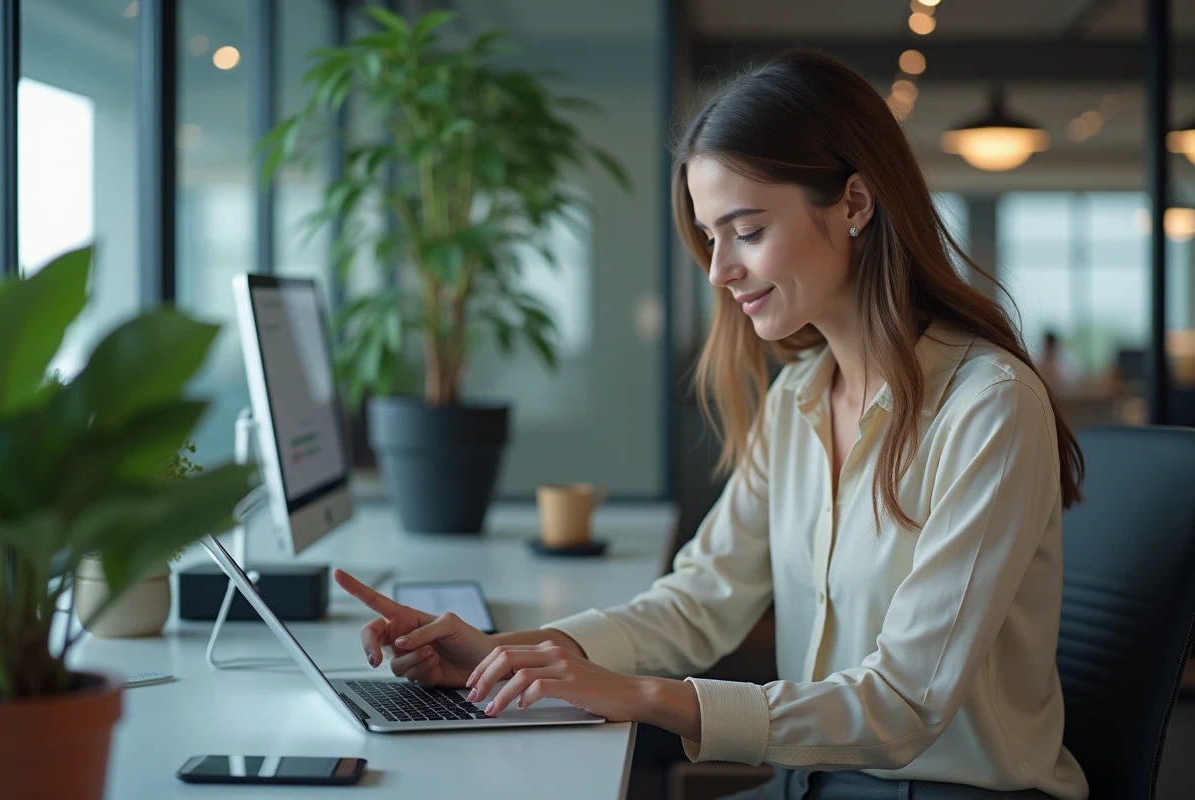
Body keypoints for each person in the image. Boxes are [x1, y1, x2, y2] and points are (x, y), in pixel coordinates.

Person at [334, 51, 1089, 800]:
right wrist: (516, 652)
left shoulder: (987, 407)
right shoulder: (798, 398)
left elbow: (907, 703)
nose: (717, 270)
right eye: (710, 237)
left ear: (855, 205)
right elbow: (700, 600)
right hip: (811, 780)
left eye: (747, 230)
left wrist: (645, 697)